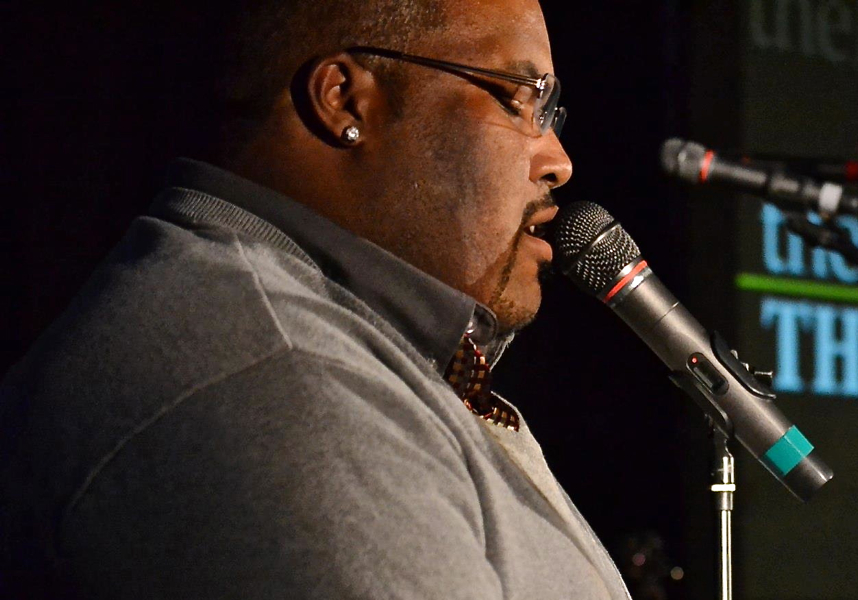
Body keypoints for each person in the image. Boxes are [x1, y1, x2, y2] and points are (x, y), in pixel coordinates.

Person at [0, 0, 631, 598]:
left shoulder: (333, 348)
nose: (558, 162)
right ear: (343, 100)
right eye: (524, 99)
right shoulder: (279, 382)